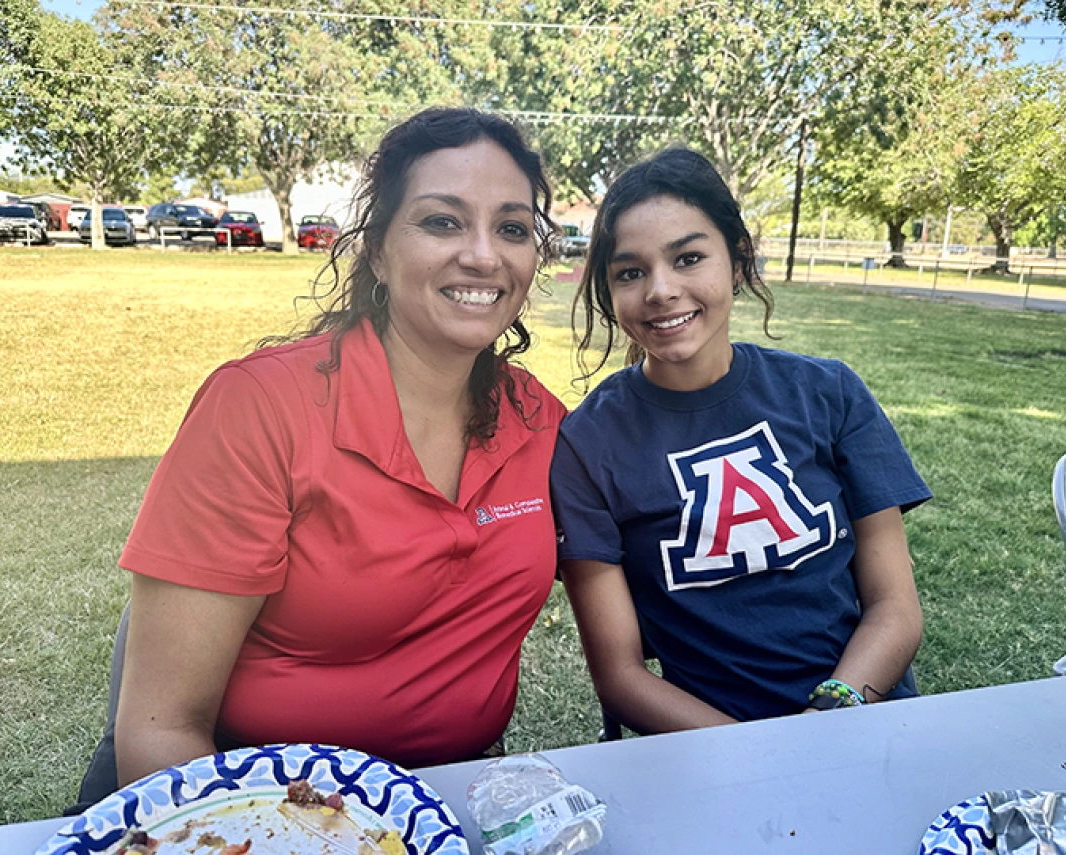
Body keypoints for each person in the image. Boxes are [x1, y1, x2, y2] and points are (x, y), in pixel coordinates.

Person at [75, 107, 567, 805]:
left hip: (451, 800)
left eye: (512, 228)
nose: (484, 255)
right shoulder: (260, 408)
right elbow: (162, 730)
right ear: (375, 250)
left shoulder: (540, 420)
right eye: (442, 221)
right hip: (245, 797)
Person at [550, 147, 932, 735]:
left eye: (688, 257)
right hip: (702, 751)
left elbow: (895, 610)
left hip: (863, 721)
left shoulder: (829, 393)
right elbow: (621, 675)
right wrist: (756, 755)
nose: (660, 289)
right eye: (630, 271)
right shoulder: (586, 444)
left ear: (738, 261)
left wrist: (828, 719)